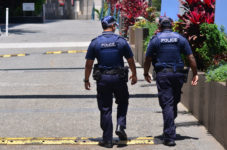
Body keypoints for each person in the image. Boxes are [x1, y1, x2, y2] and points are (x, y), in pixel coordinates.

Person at [143, 16, 199, 146]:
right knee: (173, 101)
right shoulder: (180, 38)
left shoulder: (156, 39)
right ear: (172, 25)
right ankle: (170, 128)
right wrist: (195, 73)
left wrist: (146, 73)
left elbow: (148, 59)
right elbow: (190, 57)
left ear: (160, 27)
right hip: (178, 75)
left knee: (167, 104)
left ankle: (169, 137)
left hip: (164, 75)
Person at [84, 16, 137, 148]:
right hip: (119, 78)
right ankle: (120, 125)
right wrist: (134, 74)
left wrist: (86, 79)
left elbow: (89, 64)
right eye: (115, 26)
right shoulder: (121, 41)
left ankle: (107, 140)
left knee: (105, 108)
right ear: (113, 26)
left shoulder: (95, 42)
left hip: (103, 79)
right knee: (123, 101)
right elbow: (130, 60)